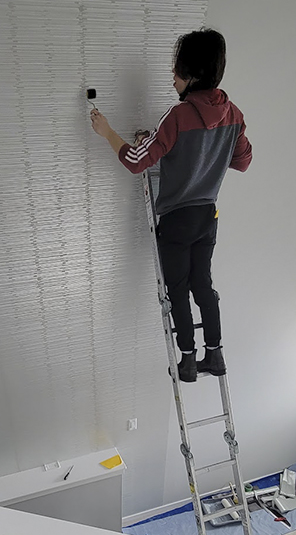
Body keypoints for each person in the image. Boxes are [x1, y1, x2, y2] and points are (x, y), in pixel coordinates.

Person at [90, 28, 252, 381]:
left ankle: (189, 360)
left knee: (177, 290)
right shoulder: (234, 114)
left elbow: (136, 160)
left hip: (177, 221)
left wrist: (106, 133)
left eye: (176, 71)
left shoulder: (178, 116)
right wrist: (209, 151)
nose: (172, 76)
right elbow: (242, 161)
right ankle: (215, 355)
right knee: (203, 287)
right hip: (208, 217)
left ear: (191, 75)